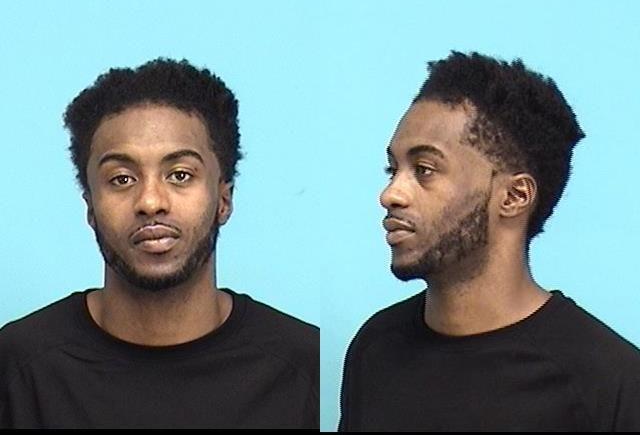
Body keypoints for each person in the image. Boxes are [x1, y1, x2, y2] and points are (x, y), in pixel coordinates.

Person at [0, 58, 319, 429]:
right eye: (121, 179)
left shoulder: (302, 367)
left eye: (180, 175)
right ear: (90, 207)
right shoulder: (19, 369)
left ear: (223, 200)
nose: (150, 202)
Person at [339, 51, 640, 431]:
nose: (391, 194)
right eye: (392, 169)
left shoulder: (610, 384)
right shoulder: (376, 347)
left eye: (424, 170)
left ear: (513, 196)